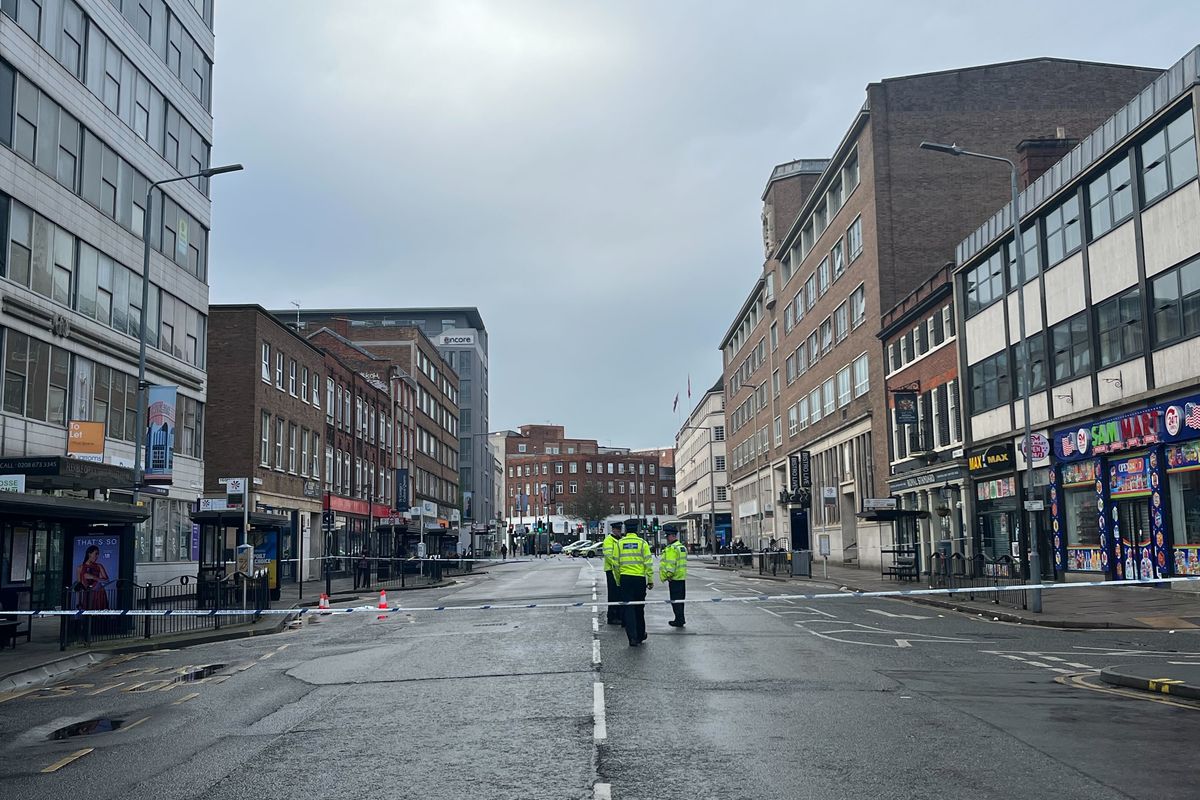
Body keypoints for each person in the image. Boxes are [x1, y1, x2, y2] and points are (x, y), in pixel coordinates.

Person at [616, 518, 653, 647]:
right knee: (639, 608)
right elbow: (648, 563)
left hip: (625, 579)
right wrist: (650, 580)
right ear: (637, 529)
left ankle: (632, 638)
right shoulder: (642, 543)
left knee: (628, 609)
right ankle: (640, 635)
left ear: (626, 530)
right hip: (639, 579)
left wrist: (618, 580)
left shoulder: (619, 544)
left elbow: (615, 564)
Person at [659, 529, 688, 628]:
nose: (667, 539)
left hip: (674, 578)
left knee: (675, 600)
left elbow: (671, 564)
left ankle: (679, 620)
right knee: (680, 600)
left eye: (668, 536)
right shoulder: (681, 547)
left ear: (672, 536)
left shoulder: (672, 548)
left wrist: (668, 575)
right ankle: (681, 618)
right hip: (681, 577)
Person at [76, 544, 110, 611]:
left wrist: (93, 577)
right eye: (96, 554)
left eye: (98, 554)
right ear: (89, 554)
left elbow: (107, 581)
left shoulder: (99, 566)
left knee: (100, 614)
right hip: (87, 594)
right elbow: (79, 586)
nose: (97, 556)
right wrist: (78, 602)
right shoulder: (80, 568)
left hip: (99, 594)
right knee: (88, 614)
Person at [603, 521, 624, 626]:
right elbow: (609, 556)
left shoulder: (621, 540)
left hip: (620, 571)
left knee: (619, 594)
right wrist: (617, 565)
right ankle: (612, 617)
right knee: (613, 594)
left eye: (620, 529)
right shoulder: (609, 540)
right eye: (617, 529)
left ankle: (619, 615)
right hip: (611, 570)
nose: (619, 531)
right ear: (613, 530)